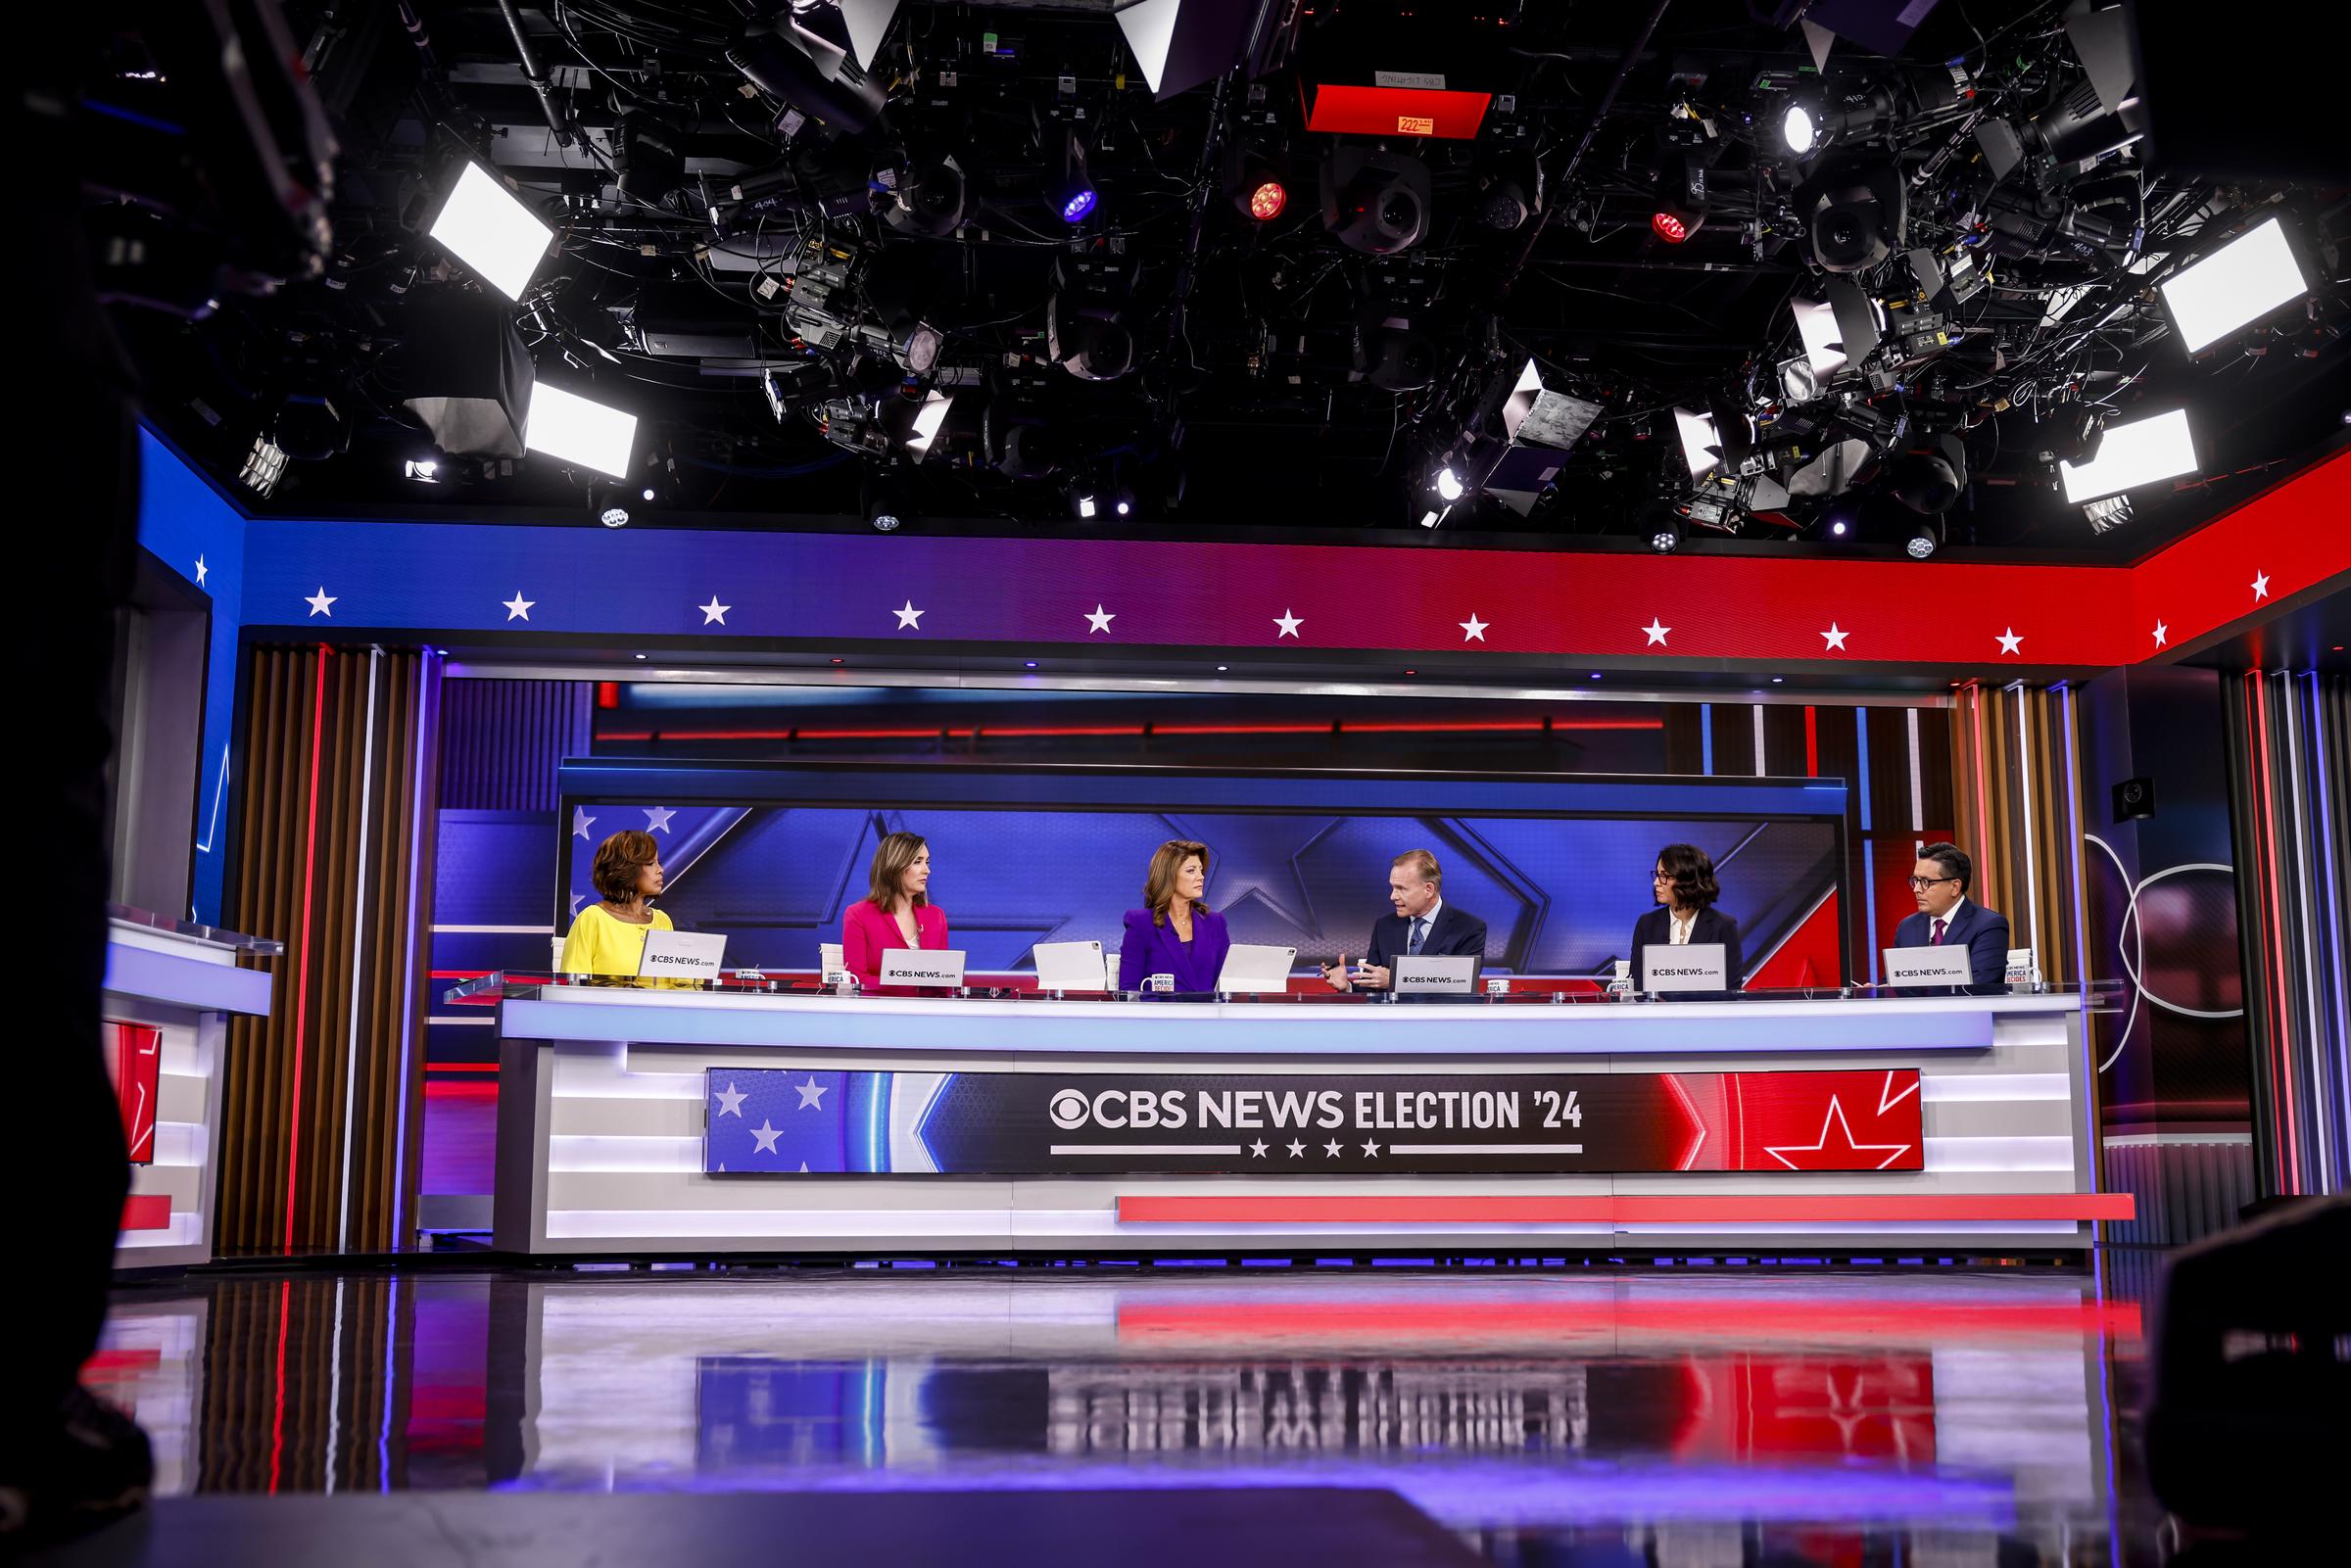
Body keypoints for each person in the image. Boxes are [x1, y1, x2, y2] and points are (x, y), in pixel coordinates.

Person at [1321, 849, 1488, 992]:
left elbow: (1459, 985)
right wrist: (1347, 987)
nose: (1393, 896)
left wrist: (1396, 980)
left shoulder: (1469, 928)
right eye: (1393, 887)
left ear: (1428, 889)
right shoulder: (1385, 927)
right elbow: (1372, 990)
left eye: (1401, 888)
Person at [842, 831, 950, 991]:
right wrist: (910, 985)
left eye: (927, 862)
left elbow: (945, 982)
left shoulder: (936, 916)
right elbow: (856, 980)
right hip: (879, 1010)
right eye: (917, 862)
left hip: (928, 1012)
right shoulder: (858, 914)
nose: (927, 870)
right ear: (894, 866)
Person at [1119, 839, 1231, 994]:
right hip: (1159, 1016)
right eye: (1191, 870)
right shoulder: (1141, 923)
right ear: (1169, 875)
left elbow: (1227, 986)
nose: (1201, 877)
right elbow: (1128, 991)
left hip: (1206, 1016)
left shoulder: (1215, 923)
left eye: (1201, 870)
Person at [1628, 843, 1745, 992]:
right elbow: (1637, 986)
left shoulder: (1723, 927)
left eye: (1664, 876)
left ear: (1687, 880)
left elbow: (1731, 990)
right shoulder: (1647, 924)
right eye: (1657, 875)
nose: (1656, 882)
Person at [1895, 841, 2011, 989]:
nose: (1916, 889)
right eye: (1915, 881)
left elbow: (1980, 985)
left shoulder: (1989, 925)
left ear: (1955, 887)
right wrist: (1877, 990)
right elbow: (1894, 981)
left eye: (1925, 882)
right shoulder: (1907, 927)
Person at [557, 830, 674, 976]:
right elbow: (572, 989)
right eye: (651, 863)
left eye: (658, 862)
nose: (660, 870)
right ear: (626, 869)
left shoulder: (663, 921)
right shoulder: (592, 919)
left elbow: (676, 985)